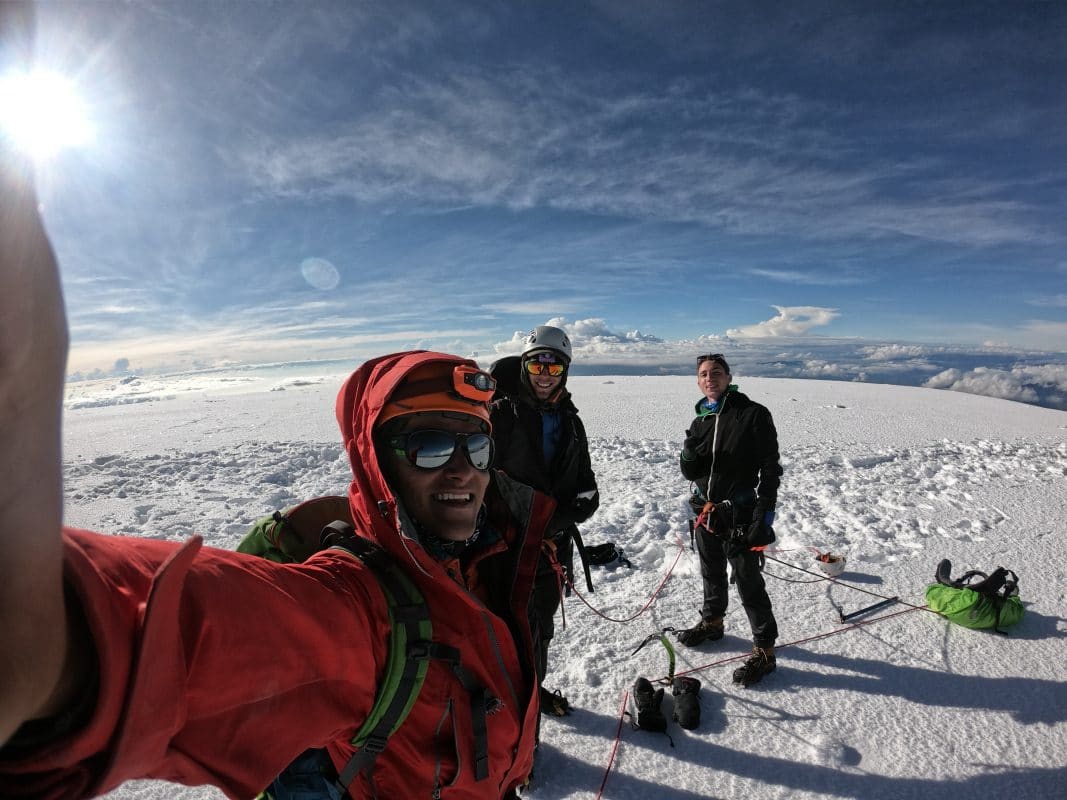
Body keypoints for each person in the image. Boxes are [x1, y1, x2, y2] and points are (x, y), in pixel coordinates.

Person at [0, 18, 552, 797]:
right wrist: (40, 642)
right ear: (379, 465)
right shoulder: (358, 611)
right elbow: (179, 639)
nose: (463, 471)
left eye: (476, 446)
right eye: (428, 446)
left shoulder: (494, 549)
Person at [489, 325, 599, 716]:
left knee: (542, 627)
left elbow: (586, 489)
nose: (543, 375)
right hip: (504, 547)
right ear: (525, 365)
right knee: (507, 630)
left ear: (564, 372)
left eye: (553, 369)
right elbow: (481, 481)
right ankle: (512, 713)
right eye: (537, 364)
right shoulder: (498, 415)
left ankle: (532, 692)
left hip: (552, 547)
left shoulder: (571, 422)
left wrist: (557, 522)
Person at [676, 353, 783, 687]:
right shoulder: (701, 420)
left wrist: (763, 517)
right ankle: (713, 622)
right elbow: (690, 472)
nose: (710, 379)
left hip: (739, 512)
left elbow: (770, 469)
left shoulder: (752, 414)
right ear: (698, 380)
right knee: (711, 572)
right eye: (704, 374)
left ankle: (765, 650)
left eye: (717, 373)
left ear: (729, 377)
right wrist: (688, 453)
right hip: (705, 511)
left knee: (748, 582)